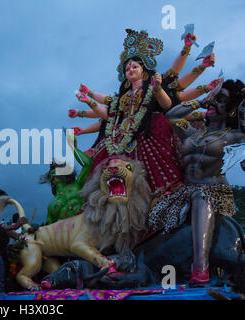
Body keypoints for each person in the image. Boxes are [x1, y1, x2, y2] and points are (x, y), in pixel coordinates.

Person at [73, 29, 218, 197]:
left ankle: (164, 193)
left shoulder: (154, 85)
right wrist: (89, 96)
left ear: (144, 70)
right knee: (103, 157)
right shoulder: (123, 97)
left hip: (151, 133)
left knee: (161, 128)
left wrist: (188, 51)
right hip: (122, 137)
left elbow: (168, 102)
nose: (131, 69)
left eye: (135, 66)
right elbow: (107, 110)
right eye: (127, 68)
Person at [149, 79, 245, 284]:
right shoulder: (193, 133)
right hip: (184, 191)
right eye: (214, 98)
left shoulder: (235, 136)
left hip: (214, 191)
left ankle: (200, 267)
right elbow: (172, 115)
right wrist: (201, 102)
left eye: (221, 100)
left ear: (230, 110)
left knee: (202, 195)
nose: (214, 103)